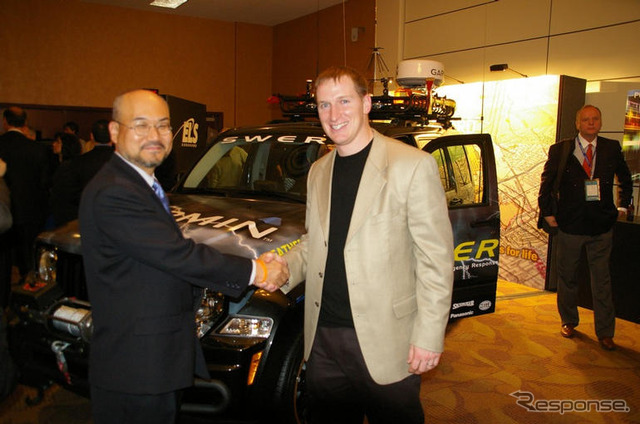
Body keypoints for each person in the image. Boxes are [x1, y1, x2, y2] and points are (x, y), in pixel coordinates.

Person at [79, 89, 288, 424]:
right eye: (141, 125)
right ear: (115, 131)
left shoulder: (142, 185)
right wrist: (257, 270)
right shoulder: (115, 191)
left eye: (163, 125)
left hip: (154, 359)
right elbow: (176, 254)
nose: (155, 135)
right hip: (137, 368)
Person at [281, 66, 454, 424]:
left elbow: (435, 261)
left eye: (344, 101)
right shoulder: (318, 171)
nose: (334, 114)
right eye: (324, 105)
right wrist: (282, 268)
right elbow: (316, 242)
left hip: (387, 339)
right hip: (324, 337)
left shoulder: (412, 166)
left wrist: (428, 335)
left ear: (366, 103)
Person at [538, 104, 632, 351]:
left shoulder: (611, 148)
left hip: (601, 226)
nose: (591, 123)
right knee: (567, 277)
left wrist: (624, 205)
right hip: (570, 225)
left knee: (602, 281)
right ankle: (569, 321)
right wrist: (547, 212)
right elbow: (547, 183)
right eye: (586, 119)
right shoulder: (561, 149)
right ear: (577, 123)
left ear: (600, 123)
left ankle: (605, 332)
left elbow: (625, 177)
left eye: (595, 119)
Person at [0, 107, 50, 279]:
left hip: (3, 210)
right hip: (31, 210)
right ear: (25, 123)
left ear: (5, 122)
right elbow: (45, 182)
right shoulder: (38, 149)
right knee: (29, 259)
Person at [49, 119, 114, 227]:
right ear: (114, 136)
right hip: (114, 218)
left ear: (91, 137)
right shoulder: (125, 163)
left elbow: (65, 196)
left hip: (83, 218)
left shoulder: (76, 163)